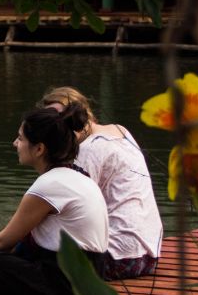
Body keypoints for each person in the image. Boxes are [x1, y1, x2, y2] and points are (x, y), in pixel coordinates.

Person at [0, 104, 108, 295]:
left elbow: (3, 241)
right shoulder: (80, 177)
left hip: (69, 289)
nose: (15, 143)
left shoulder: (49, 184)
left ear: (40, 149)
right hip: (91, 282)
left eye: (21, 138)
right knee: (23, 248)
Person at [40, 87, 162, 279]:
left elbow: (60, 204)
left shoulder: (87, 151)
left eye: (62, 119)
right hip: (149, 253)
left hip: (118, 258)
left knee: (38, 235)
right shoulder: (120, 130)